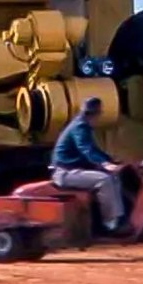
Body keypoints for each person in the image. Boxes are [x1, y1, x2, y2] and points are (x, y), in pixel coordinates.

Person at [51, 96, 130, 235]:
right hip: (65, 173)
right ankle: (110, 224)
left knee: (114, 176)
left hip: (72, 170)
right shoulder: (79, 127)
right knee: (103, 180)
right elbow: (86, 149)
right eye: (99, 113)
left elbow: (93, 149)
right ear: (94, 113)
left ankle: (119, 218)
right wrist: (104, 164)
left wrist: (112, 161)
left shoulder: (83, 126)